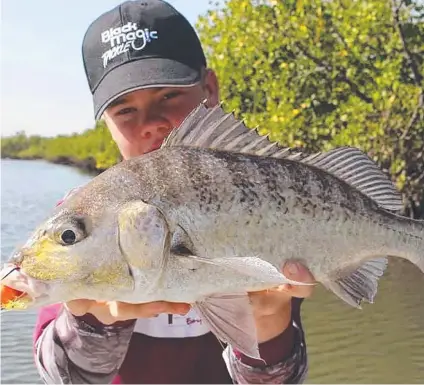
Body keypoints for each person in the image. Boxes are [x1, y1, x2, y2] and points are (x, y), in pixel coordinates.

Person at [32, 1, 316, 383]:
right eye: (124, 110)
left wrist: (270, 323)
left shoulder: (265, 200)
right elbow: (62, 377)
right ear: (106, 122)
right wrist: (93, 324)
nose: (149, 124)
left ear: (209, 89)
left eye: (168, 97)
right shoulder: (80, 223)